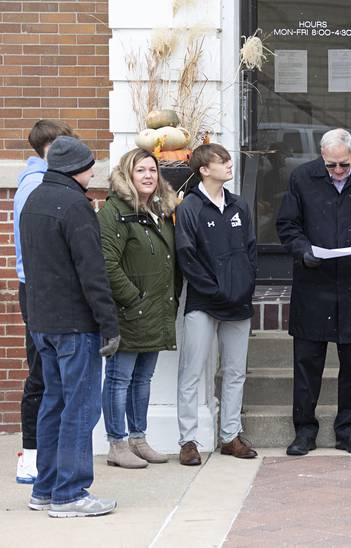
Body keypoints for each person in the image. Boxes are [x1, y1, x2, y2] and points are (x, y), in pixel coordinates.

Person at [276, 128, 351, 456]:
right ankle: (304, 430)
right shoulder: (302, 178)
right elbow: (288, 224)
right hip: (313, 282)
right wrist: (302, 250)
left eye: (343, 164)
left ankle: (347, 429)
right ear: (321, 157)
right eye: (331, 166)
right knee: (306, 362)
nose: (338, 171)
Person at [19, 135, 120, 517]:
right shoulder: (76, 206)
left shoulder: (33, 200)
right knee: (80, 407)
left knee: (53, 403)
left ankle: (45, 489)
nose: (94, 170)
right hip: (74, 324)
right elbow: (92, 272)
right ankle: (70, 493)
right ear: (79, 169)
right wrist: (108, 324)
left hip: (42, 319)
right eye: (91, 165)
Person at [175, 143, 258, 466]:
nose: (228, 164)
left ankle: (230, 436)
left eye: (228, 160)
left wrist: (244, 286)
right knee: (192, 371)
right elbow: (187, 257)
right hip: (203, 302)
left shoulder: (239, 206)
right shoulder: (190, 208)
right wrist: (215, 290)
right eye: (220, 161)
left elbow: (250, 252)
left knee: (235, 371)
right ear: (204, 170)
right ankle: (188, 441)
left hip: (238, 302)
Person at [98, 148, 179, 468]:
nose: (148, 176)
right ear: (127, 176)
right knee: (119, 378)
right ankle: (116, 444)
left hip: (155, 310)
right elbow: (106, 263)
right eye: (140, 171)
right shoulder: (114, 211)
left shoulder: (160, 210)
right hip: (129, 311)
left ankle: (138, 439)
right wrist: (134, 298)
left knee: (143, 379)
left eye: (153, 170)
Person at [12, 120, 74, 484]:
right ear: (50, 148)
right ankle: (31, 455)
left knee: (46, 371)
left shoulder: (43, 181)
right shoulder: (36, 185)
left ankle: (43, 454)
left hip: (40, 287)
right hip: (38, 287)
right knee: (40, 372)